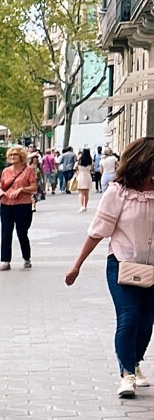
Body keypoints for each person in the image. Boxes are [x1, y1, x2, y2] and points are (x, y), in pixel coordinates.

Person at [65, 136, 154, 398]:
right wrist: (77, 265)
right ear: (143, 162)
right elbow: (98, 231)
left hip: (152, 268)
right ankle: (126, 374)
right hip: (122, 264)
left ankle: (134, 361)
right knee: (129, 317)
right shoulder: (118, 193)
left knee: (146, 322)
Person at [0, 144, 37, 271]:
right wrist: (0, 192)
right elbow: (1, 186)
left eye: (15, 155)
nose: (12, 157)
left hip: (22, 205)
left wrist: (21, 189)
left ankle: (26, 258)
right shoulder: (6, 171)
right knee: (6, 232)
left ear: (21, 156)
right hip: (6, 204)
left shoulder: (28, 170)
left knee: (22, 232)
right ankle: (5, 261)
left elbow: (34, 187)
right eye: (11, 155)